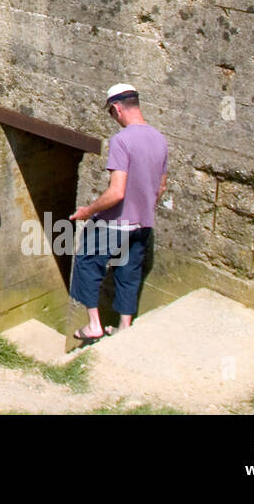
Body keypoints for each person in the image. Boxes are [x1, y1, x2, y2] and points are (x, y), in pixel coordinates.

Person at [68, 83, 168, 344]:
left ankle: (93, 326)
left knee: (86, 261)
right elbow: (161, 187)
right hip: (143, 223)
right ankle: (124, 327)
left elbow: (116, 193)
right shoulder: (160, 139)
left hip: (116, 224)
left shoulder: (121, 140)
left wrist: (87, 211)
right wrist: (143, 209)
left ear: (117, 108)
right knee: (129, 271)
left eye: (111, 114)